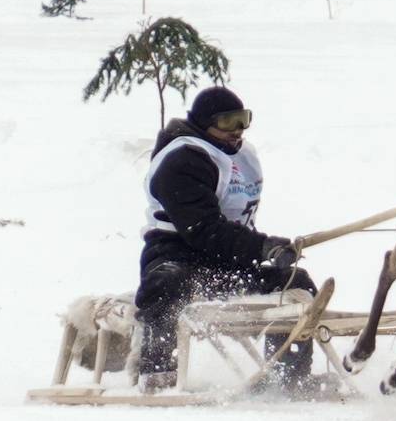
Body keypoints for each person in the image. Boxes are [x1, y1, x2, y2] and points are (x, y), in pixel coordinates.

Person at [135, 86, 316, 393]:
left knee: (295, 284)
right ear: (205, 124)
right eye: (228, 123)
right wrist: (261, 247)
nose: (238, 131)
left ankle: (289, 379)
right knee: (168, 283)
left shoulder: (240, 156)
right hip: (176, 255)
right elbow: (203, 231)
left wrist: (271, 249)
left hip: (225, 262)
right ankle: (158, 374)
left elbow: (230, 228)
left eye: (243, 120)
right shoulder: (182, 160)